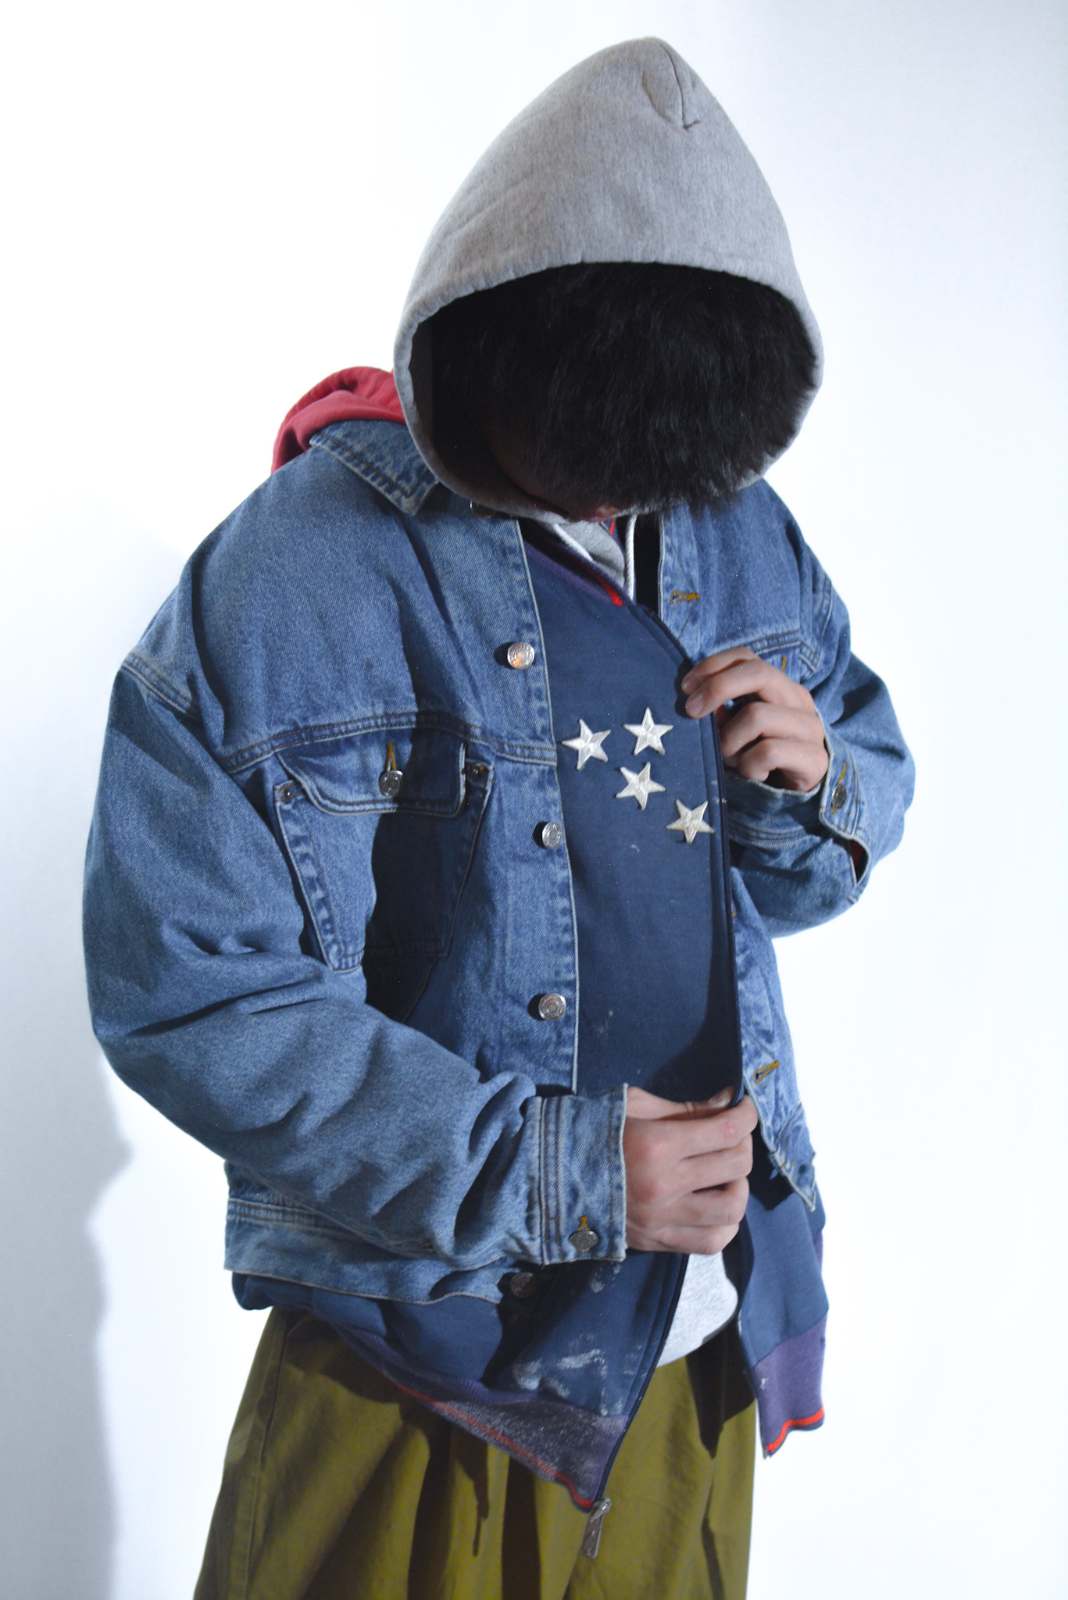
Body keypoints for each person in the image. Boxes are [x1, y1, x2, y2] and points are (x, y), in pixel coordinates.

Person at [81, 35, 915, 1599]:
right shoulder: (294, 572)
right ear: (480, 363)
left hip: (690, 1338)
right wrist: (560, 1173)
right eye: (587, 457)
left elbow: (825, 854)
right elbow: (186, 990)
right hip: (413, 1345)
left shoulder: (736, 522)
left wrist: (811, 785)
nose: (615, 504)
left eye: (658, 470)